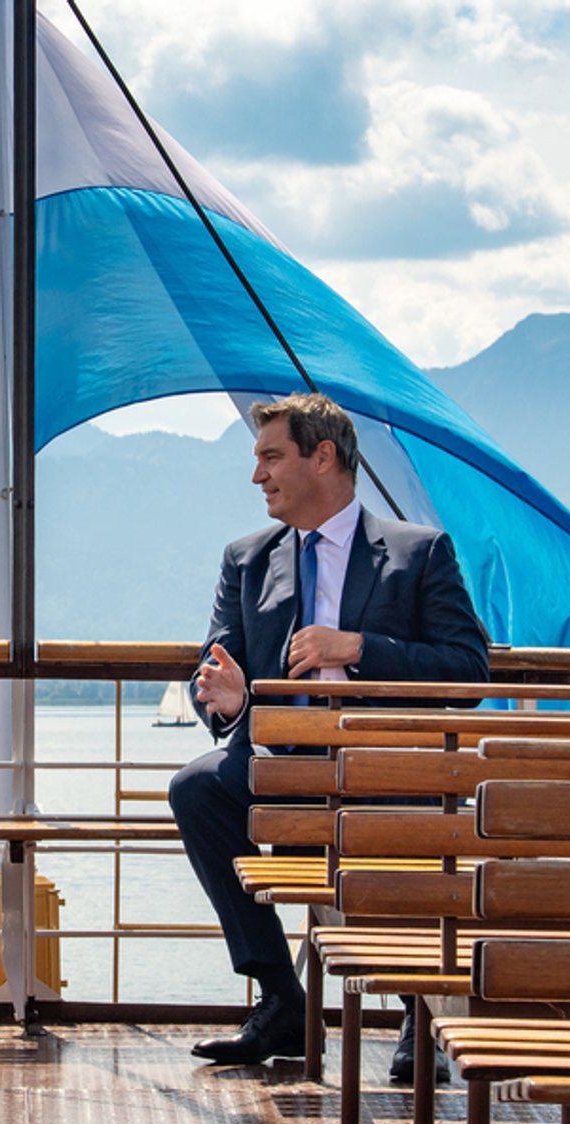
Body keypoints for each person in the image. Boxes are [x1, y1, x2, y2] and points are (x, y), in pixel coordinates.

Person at [174, 392, 489, 1072]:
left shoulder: (419, 552)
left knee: (404, 816)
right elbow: (218, 666)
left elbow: (467, 670)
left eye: (270, 457)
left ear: (323, 457)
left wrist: (359, 646)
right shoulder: (246, 559)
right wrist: (228, 701)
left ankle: (420, 1010)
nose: (258, 475)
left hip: (388, 776)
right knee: (196, 787)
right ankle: (279, 996)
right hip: (285, 769)